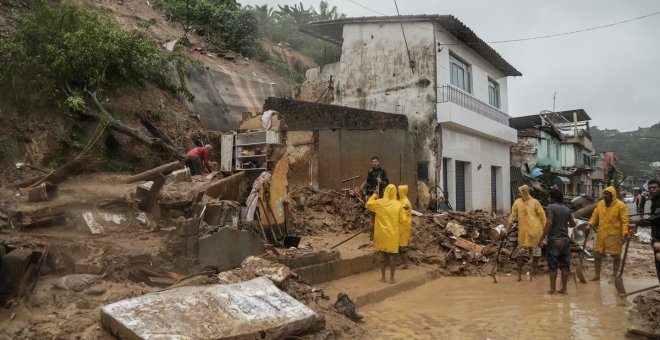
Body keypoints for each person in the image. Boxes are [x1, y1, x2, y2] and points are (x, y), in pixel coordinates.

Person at [505, 185, 547, 281]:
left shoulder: (535, 202)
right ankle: (519, 275)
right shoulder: (517, 202)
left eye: (520, 192)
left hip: (535, 233)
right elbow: (513, 216)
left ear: (525, 192)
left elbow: (543, 217)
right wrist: (507, 228)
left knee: (535, 255)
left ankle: (532, 275)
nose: (518, 193)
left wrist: (545, 232)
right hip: (523, 235)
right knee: (520, 255)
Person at [587, 186, 629, 281]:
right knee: (597, 255)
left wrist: (624, 235)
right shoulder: (601, 204)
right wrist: (590, 224)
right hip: (601, 234)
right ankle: (597, 275)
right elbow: (595, 215)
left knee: (616, 256)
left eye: (607, 194)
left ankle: (614, 275)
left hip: (614, 235)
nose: (605, 196)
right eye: (604, 193)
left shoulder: (620, 205)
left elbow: (625, 221)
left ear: (612, 195)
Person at [539, 189, 576, 294]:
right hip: (565, 241)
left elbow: (549, 222)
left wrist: (542, 238)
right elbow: (573, 224)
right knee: (565, 267)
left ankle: (552, 290)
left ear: (553, 198)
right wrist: (564, 225)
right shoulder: (567, 209)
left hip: (554, 241)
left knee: (553, 267)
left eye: (549, 197)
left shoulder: (551, 208)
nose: (547, 199)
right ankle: (564, 289)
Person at [366, 184, 401, 283]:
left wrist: (374, 195)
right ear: (395, 192)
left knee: (382, 255)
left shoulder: (379, 203)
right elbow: (402, 220)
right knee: (392, 257)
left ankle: (383, 277)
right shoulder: (398, 205)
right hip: (393, 235)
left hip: (381, 234)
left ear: (385, 191)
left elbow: (368, 204)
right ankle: (392, 278)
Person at [639, 179, 660, 283]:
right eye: (650, 188)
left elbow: (657, 217)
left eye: (654, 188)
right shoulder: (654, 200)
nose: (652, 190)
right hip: (656, 236)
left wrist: (642, 222)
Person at [397, 185, 412, 269]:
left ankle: (404, 264)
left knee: (402, 245)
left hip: (404, 226)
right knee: (400, 244)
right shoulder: (401, 200)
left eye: (398, 191)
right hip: (401, 226)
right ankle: (401, 262)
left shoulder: (405, 202)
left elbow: (403, 216)